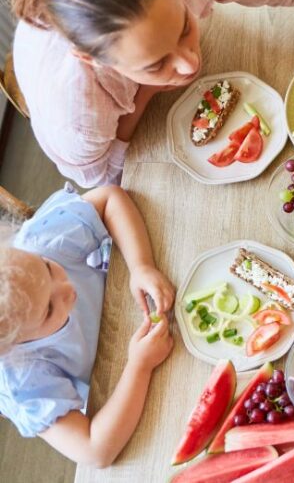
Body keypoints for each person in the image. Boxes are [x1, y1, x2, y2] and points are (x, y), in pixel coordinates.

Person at [11, 0, 294, 187]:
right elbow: (100, 176)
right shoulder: (73, 114)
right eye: (155, 63)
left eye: (183, 27)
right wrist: (146, 94)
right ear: (92, 61)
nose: (190, 66)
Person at [0, 183, 175, 466]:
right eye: (49, 309)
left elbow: (108, 199)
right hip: (114, 379)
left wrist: (141, 265)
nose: (67, 288)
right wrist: (139, 366)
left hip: (123, 301)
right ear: (12, 344)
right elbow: (95, 452)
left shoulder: (37, 243)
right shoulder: (23, 380)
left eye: (47, 267)